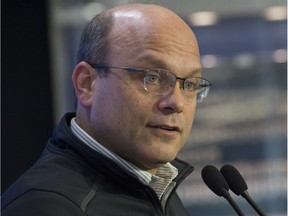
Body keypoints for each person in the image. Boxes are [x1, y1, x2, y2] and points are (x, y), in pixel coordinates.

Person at [1, 3, 211, 216]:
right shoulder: (45, 207)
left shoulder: (155, 187)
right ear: (87, 84)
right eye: (152, 77)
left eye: (190, 84)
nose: (176, 102)